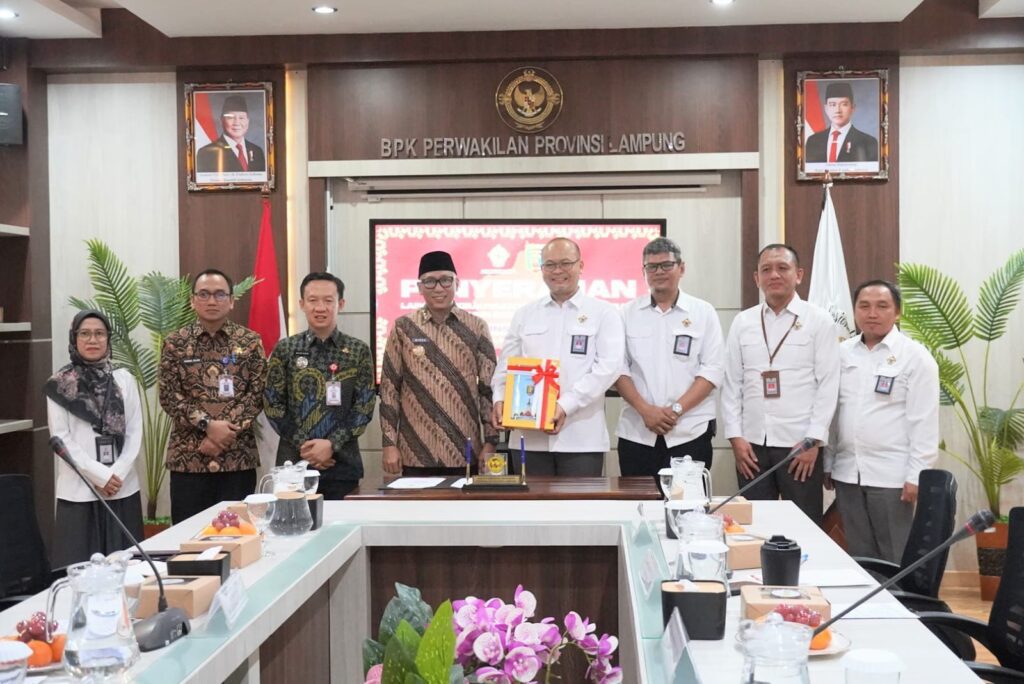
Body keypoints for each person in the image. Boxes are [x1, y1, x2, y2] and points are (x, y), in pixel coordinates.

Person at [721, 244, 840, 524]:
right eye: (766, 269)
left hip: (799, 447)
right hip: (751, 446)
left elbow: (828, 385)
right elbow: (731, 384)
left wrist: (813, 440)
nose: (774, 275)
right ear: (757, 278)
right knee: (753, 524)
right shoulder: (743, 322)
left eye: (782, 268)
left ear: (798, 275)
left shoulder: (819, 321)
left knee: (804, 527)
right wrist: (736, 437)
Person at [825, 280, 939, 562]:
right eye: (864, 306)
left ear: (897, 312)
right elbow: (833, 414)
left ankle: (898, 595)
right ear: (854, 311)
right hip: (848, 473)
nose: (872, 313)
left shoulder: (915, 357)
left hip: (892, 476)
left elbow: (923, 423)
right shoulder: (841, 353)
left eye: (882, 306)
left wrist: (917, 475)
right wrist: (828, 462)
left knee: (894, 556)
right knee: (860, 556)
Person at [492, 237, 625, 476]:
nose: (557, 271)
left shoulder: (604, 313)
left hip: (581, 439)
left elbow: (608, 368)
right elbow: (506, 367)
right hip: (528, 438)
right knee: (531, 501)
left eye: (565, 263)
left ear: (580, 266)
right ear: (542, 269)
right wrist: (500, 400)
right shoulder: (524, 314)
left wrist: (565, 405)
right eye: (550, 265)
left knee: (579, 502)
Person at [159, 269, 267, 523]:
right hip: (189, 459)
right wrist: (208, 425)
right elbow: (169, 395)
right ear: (192, 300)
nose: (211, 301)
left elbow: (257, 394)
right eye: (204, 294)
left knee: (239, 534)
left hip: (237, 459)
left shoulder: (250, 342)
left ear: (231, 301)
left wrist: (223, 434)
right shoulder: (175, 343)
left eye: (219, 294)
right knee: (188, 535)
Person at [379, 251, 498, 476]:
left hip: (464, 450)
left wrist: (491, 442)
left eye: (445, 280)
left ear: (457, 283)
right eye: (430, 281)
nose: (438, 288)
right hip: (415, 449)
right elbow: (389, 389)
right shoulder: (404, 327)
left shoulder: (476, 327)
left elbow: (488, 389)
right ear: (419, 287)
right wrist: (389, 443)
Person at [615, 238, 725, 481]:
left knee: (687, 501)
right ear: (644, 271)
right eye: (651, 267)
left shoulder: (703, 312)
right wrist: (646, 411)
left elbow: (712, 370)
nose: (659, 272)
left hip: (690, 431)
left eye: (666, 265)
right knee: (639, 501)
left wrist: (675, 410)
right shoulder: (625, 314)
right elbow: (618, 369)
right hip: (638, 432)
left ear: (681, 268)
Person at [45, 310, 144, 566]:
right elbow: (61, 437)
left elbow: (135, 432)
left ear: (108, 338)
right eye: (85, 333)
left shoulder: (124, 379)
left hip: (121, 488)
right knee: (79, 571)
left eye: (99, 333)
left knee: (128, 569)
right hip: (79, 492)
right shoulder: (59, 384)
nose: (92, 340)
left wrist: (115, 475)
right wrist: (100, 475)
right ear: (74, 338)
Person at [265, 272, 375, 499]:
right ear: (302, 304)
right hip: (293, 465)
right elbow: (273, 404)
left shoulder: (358, 350)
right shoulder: (286, 349)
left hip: (343, 464)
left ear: (340, 304)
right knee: (293, 521)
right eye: (313, 300)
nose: (320, 308)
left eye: (328, 300)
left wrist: (331, 444)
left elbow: (364, 407)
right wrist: (306, 446)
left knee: (344, 521)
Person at [805, 81, 879, 164]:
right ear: (826, 108)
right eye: (833, 104)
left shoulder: (868, 142)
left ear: (852, 108)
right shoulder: (813, 141)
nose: (838, 110)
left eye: (844, 104)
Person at [195, 94, 267, 174]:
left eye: (241, 118)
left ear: (248, 121)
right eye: (230, 118)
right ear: (222, 120)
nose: (237, 123)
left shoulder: (257, 151)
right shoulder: (206, 153)